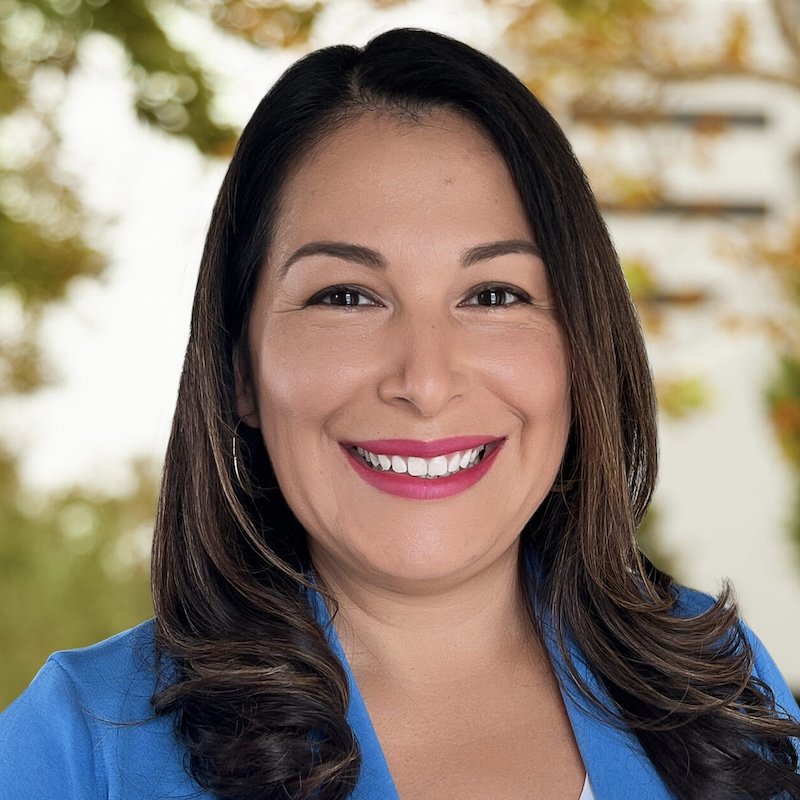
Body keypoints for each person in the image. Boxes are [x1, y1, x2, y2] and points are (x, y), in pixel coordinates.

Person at [1, 27, 798, 800]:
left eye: (494, 295)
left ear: (581, 350)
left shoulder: (723, 695)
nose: (424, 379)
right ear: (240, 368)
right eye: (346, 296)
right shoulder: (82, 745)